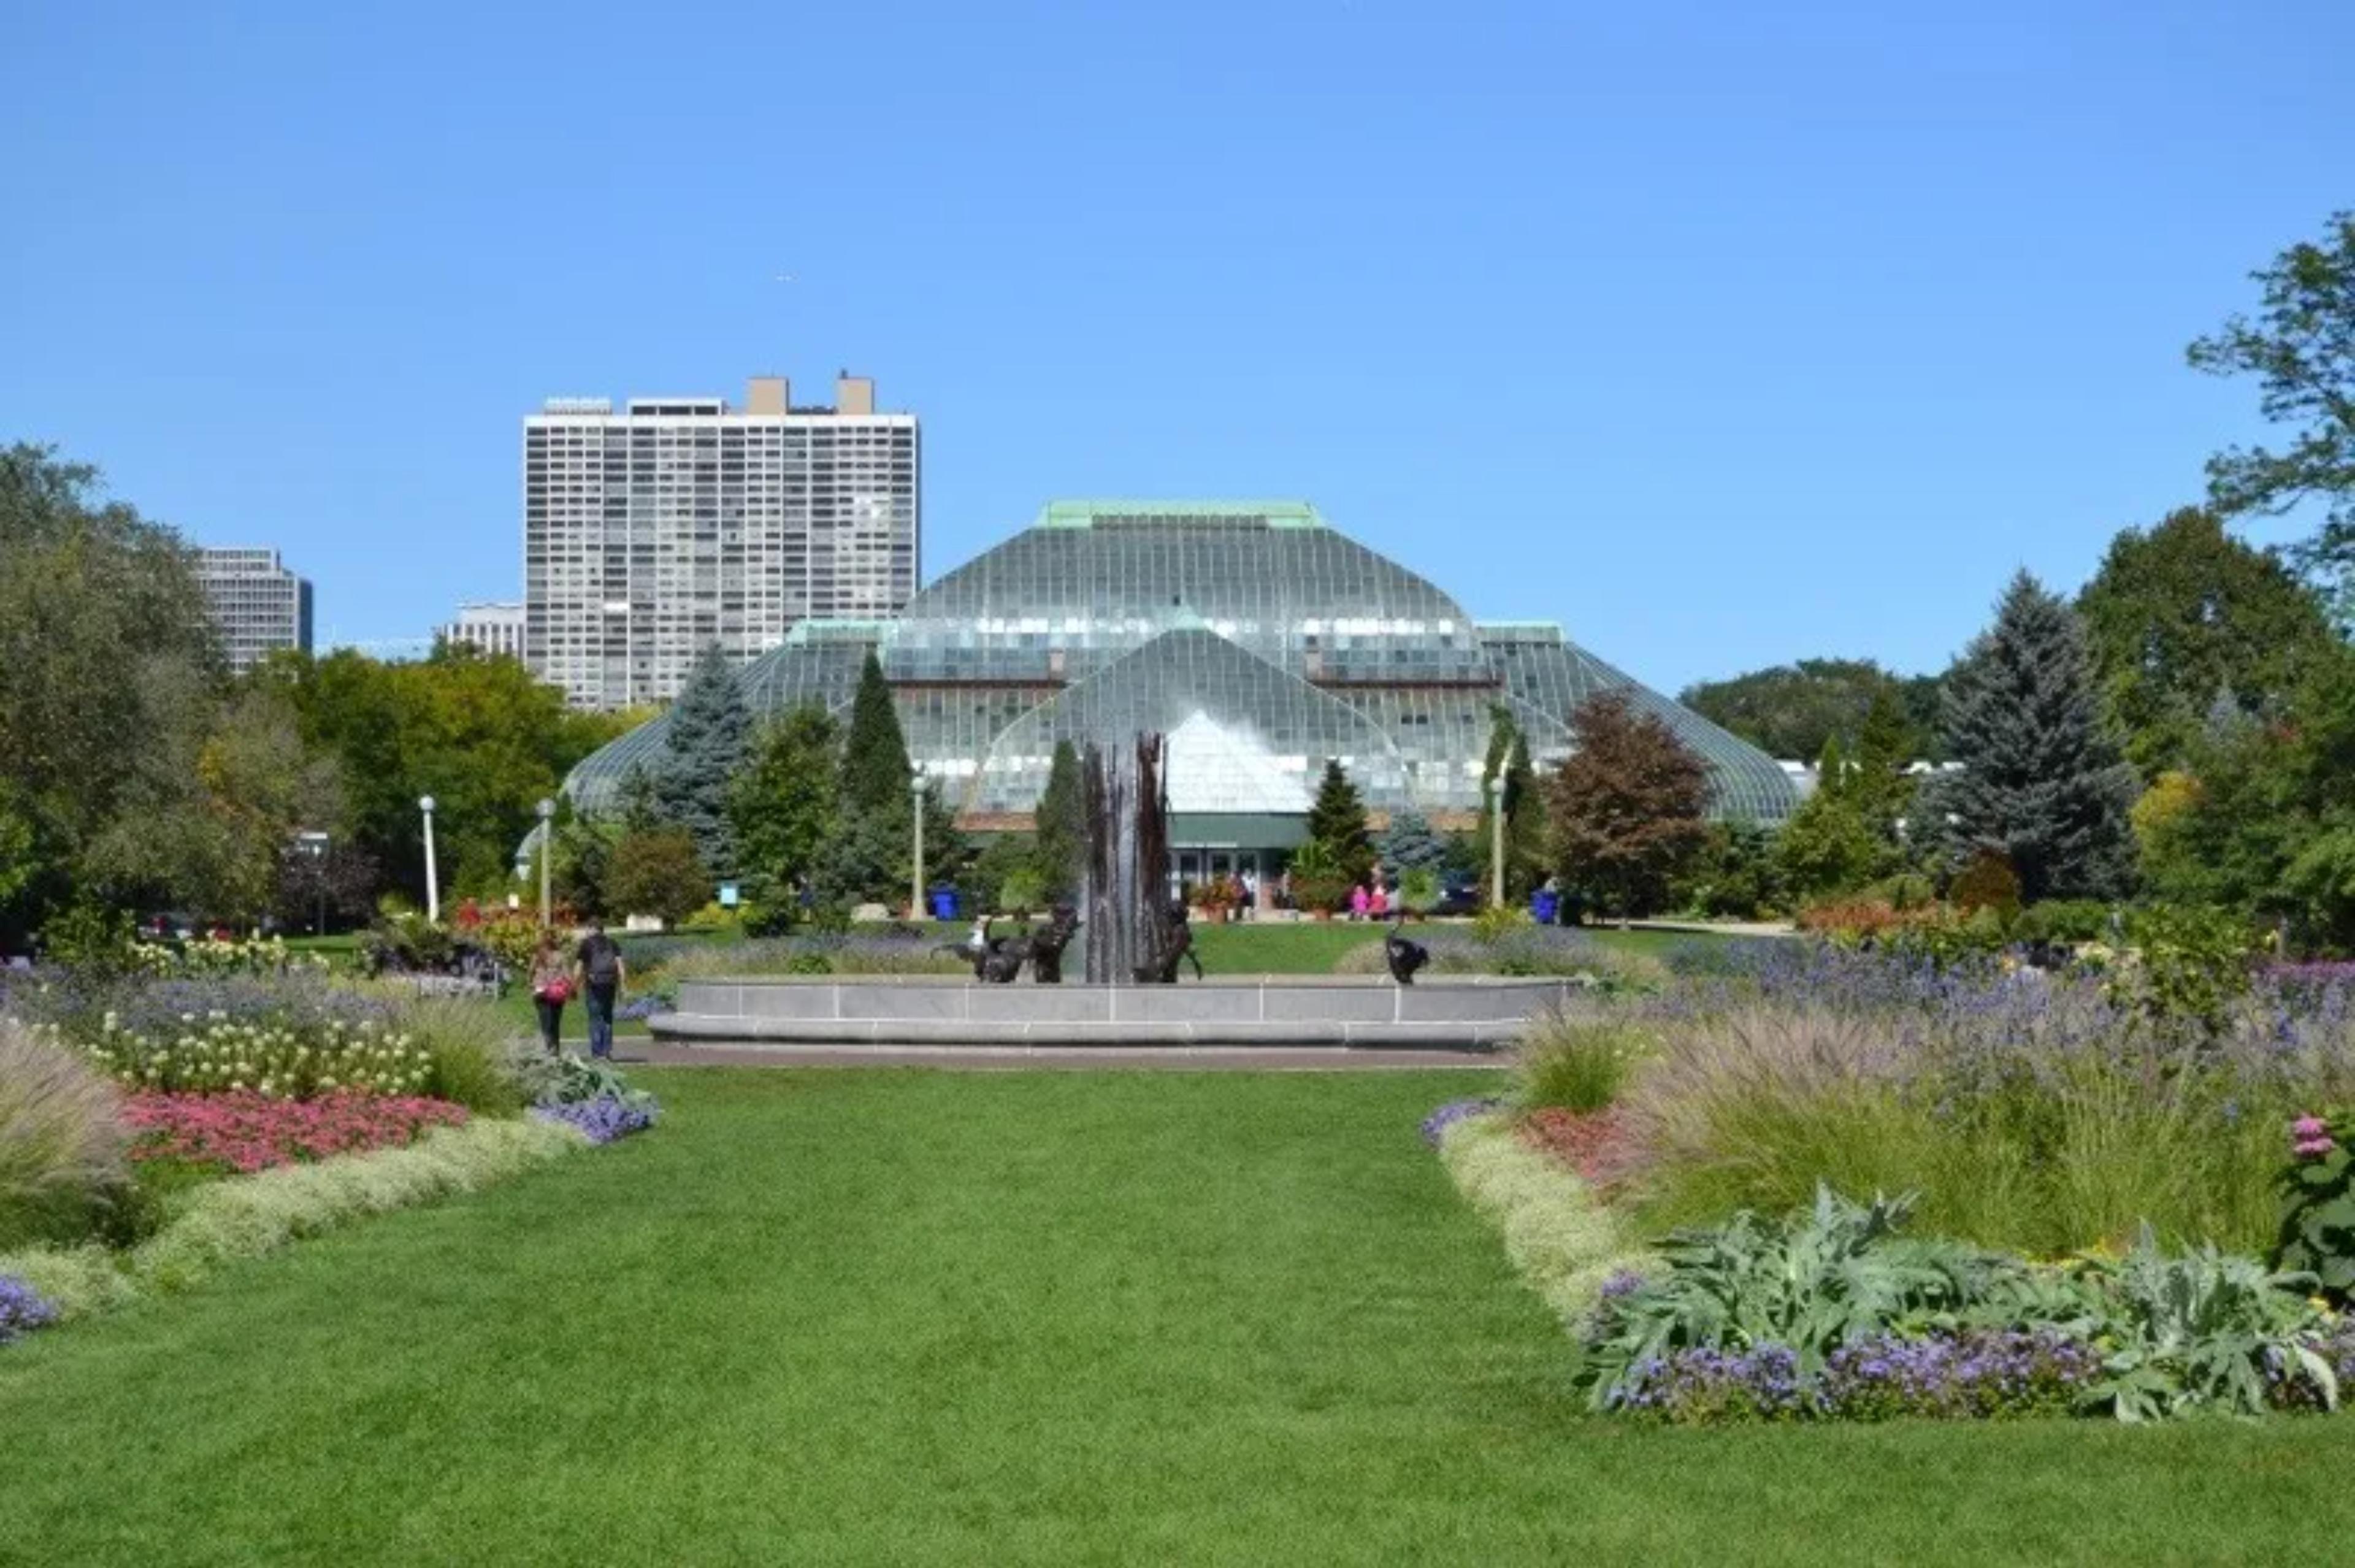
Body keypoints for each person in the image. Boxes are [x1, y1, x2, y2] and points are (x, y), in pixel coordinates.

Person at [573, 919, 626, 1061]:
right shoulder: (613, 943)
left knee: (595, 1018)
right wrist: (623, 986)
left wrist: (575, 986)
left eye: (587, 929)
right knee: (607, 1017)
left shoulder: (587, 944)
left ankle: (597, 1053)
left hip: (593, 985)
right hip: (610, 984)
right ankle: (607, 1051)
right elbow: (621, 967)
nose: (586, 932)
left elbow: (578, 968)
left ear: (592, 928)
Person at [528, 932, 571, 1053]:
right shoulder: (561, 956)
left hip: (541, 993)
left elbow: (530, 972)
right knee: (555, 1024)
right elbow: (567, 975)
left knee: (545, 1024)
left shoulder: (537, 956)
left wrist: (531, 984)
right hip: (557, 993)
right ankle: (555, 1051)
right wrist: (571, 989)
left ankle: (549, 1050)